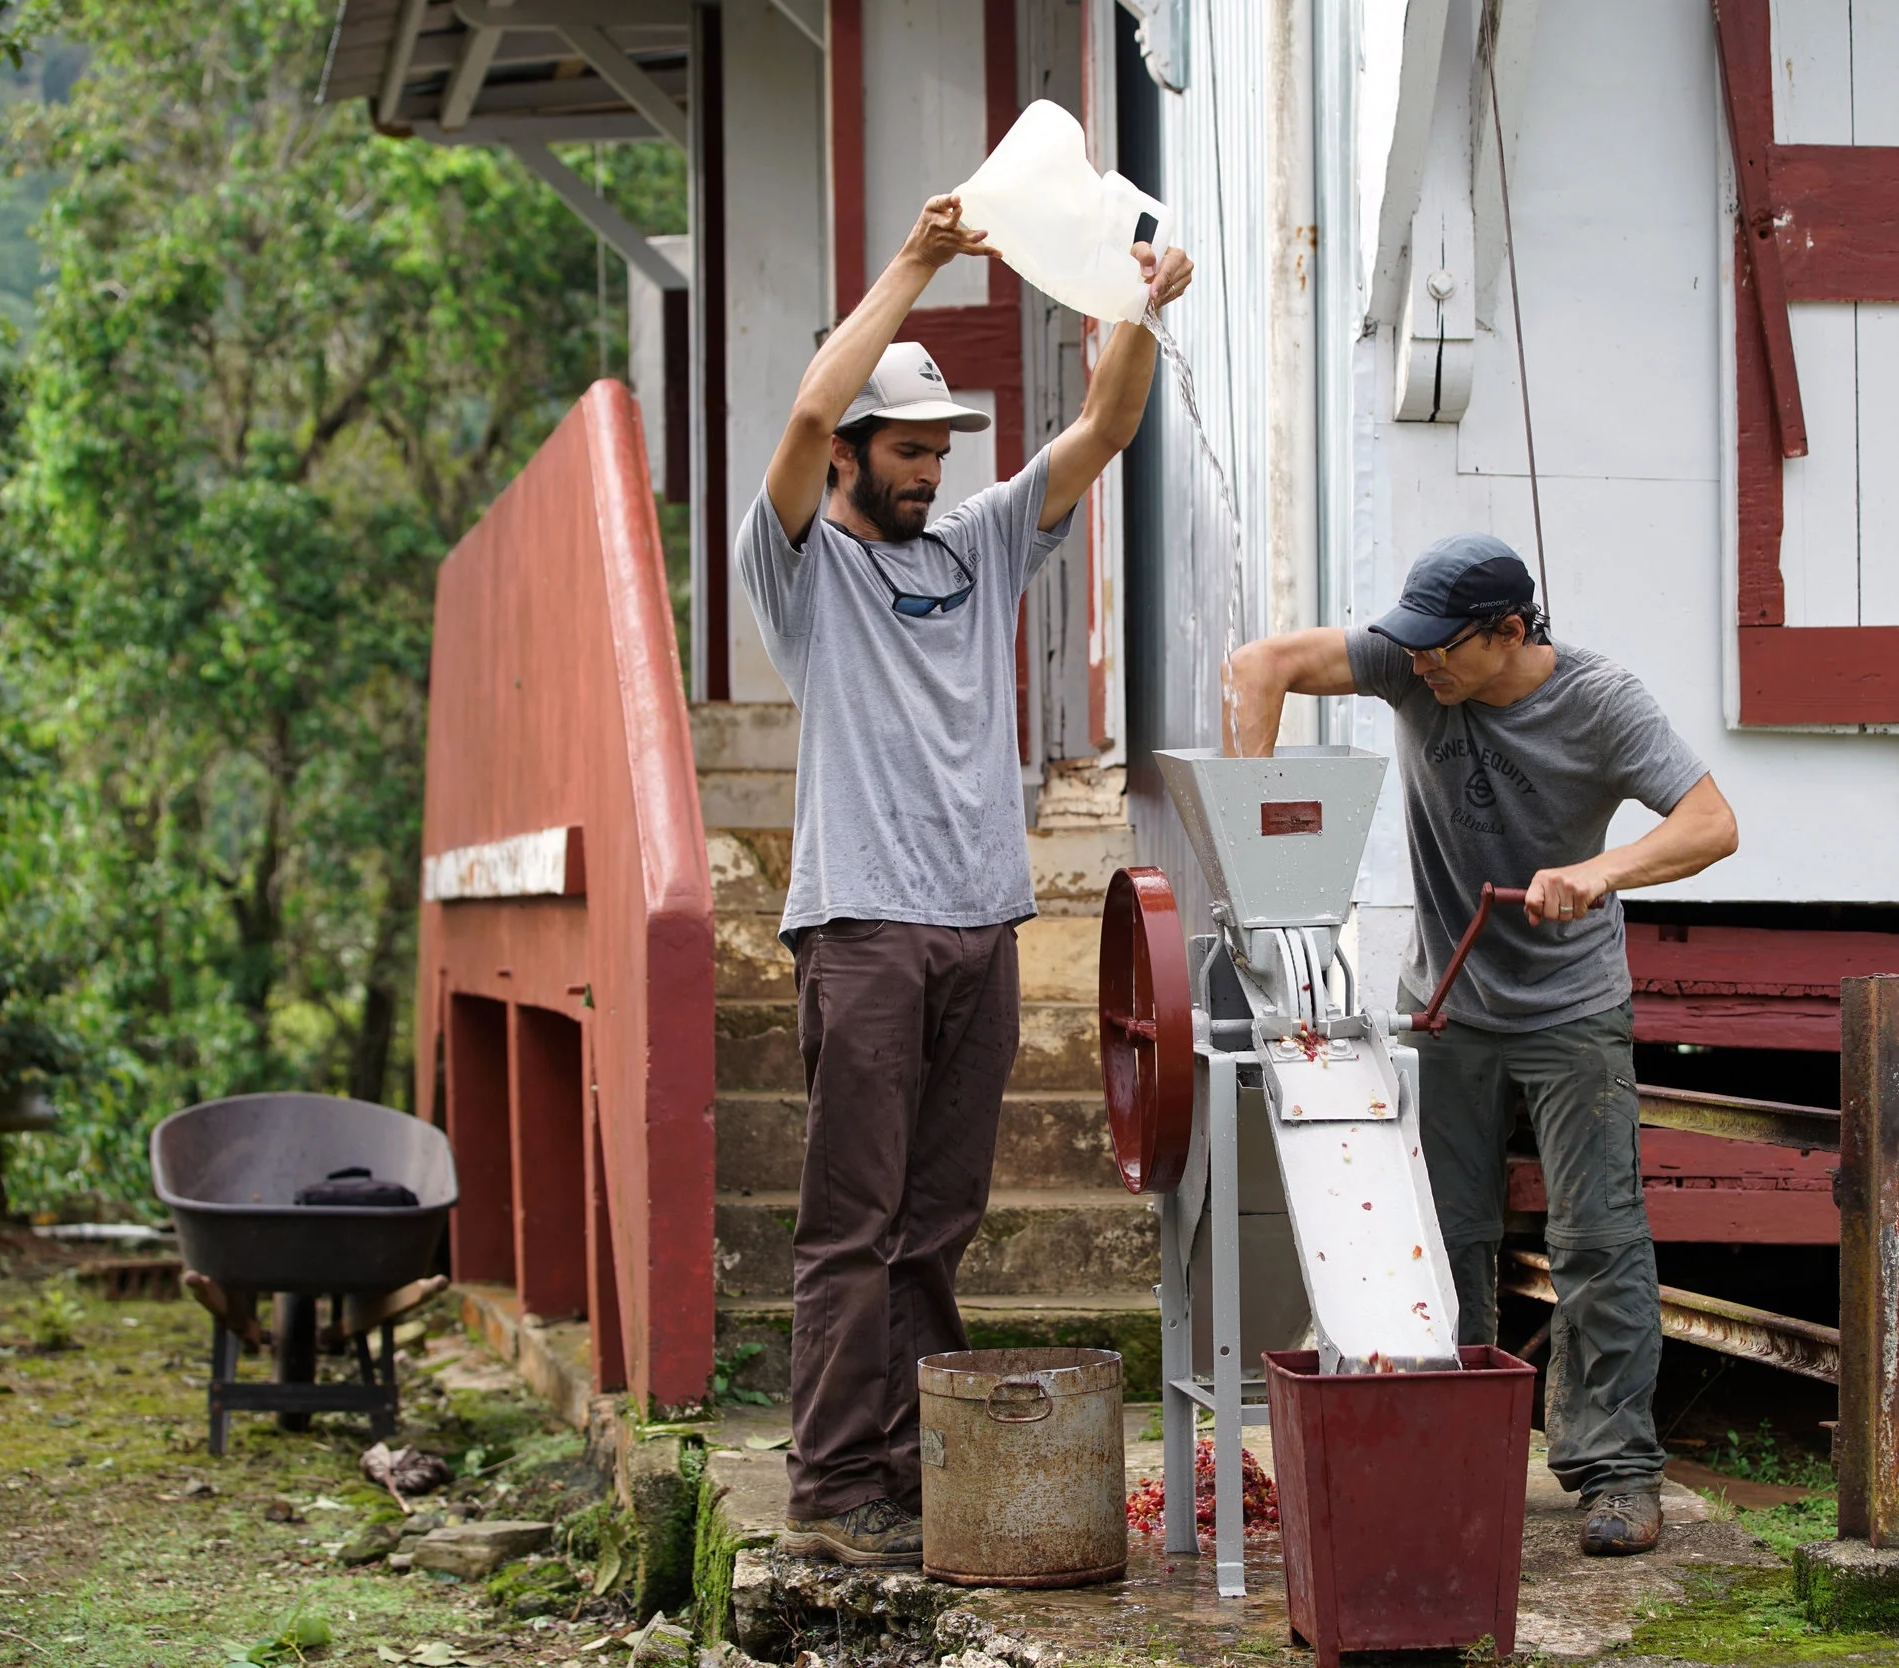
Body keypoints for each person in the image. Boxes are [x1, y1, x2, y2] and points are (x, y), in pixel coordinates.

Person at [736, 194, 1192, 1567]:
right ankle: (830, 1488)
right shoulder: (802, 571)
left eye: (942, 450)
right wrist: (918, 265)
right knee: (852, 1229)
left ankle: (915, 1464)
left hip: (979, 929)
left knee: (937, 1224)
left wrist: (1138, 306)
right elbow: (805, 425)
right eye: (911, 451)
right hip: (864, 927)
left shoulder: (980, 549)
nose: (931, 471)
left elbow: (1107, 428)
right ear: (861, 456)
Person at [1221, 534, 1738, 1556]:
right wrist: (1258, 853)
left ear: (1509, 632)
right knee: (1442, 1242)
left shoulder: (1603, 703)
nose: (1420, 666)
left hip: (1571, 1010)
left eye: (1441, 650)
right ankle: (1452, 1453)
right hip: (1446, 1005)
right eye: (1409, 648)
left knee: (1598, 1240)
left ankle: (1615, 1471)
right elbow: (1258, 667)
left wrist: (1603, 871)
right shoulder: (1418, 667)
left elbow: (1712, 823)